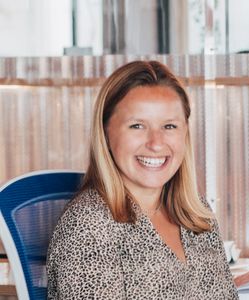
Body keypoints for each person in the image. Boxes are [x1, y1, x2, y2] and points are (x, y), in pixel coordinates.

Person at [46, 60, 239, 299]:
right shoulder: (89, 226)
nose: (156, 143)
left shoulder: (196, 216)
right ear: (106, 133)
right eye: (137, 126)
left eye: (169, 126)